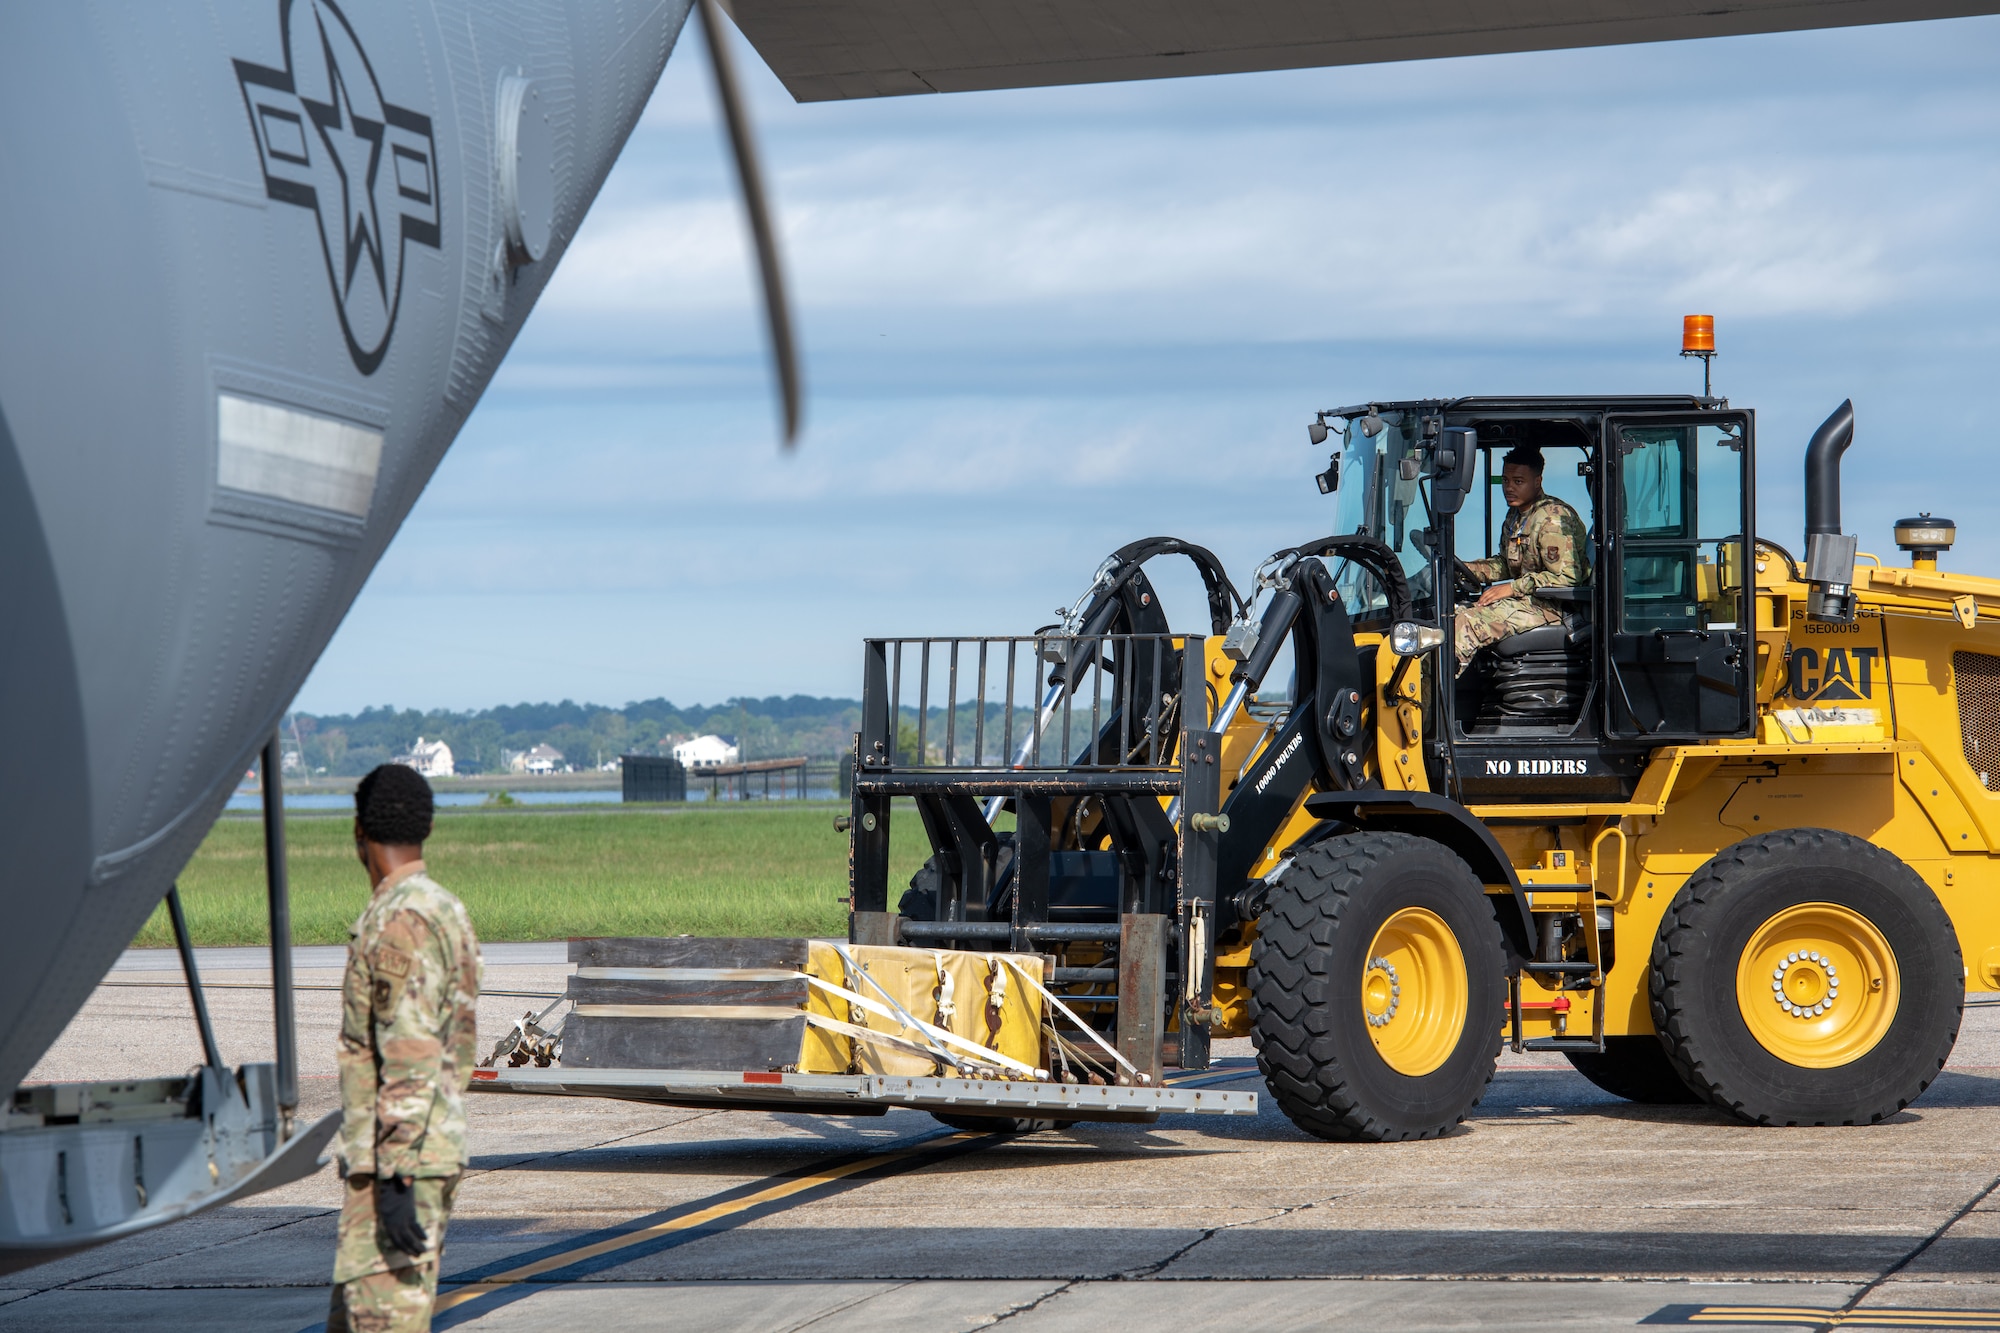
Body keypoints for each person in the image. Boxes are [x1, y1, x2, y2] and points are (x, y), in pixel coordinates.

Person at [329, 764, 482, 1333]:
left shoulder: (400, 920)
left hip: (402, 1161)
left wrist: (394, 1177)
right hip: (416, 1150)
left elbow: (410, 1054)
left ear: (358, 832)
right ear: (428, 827)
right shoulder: (441, 907)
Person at [1454, 445, 1591, 673]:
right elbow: (1506, 564)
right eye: (1505, 480)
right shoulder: (1516, 516)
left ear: (1537, 482)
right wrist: (1467, 569)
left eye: (1518, 482)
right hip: (1530, 603)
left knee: (1467, 623)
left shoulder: (1552, 519)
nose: (1509, 488)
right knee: (1454, 614)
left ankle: (1431, 700)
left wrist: (1512, 588)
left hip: (1555, 608)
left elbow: (1567, 578)